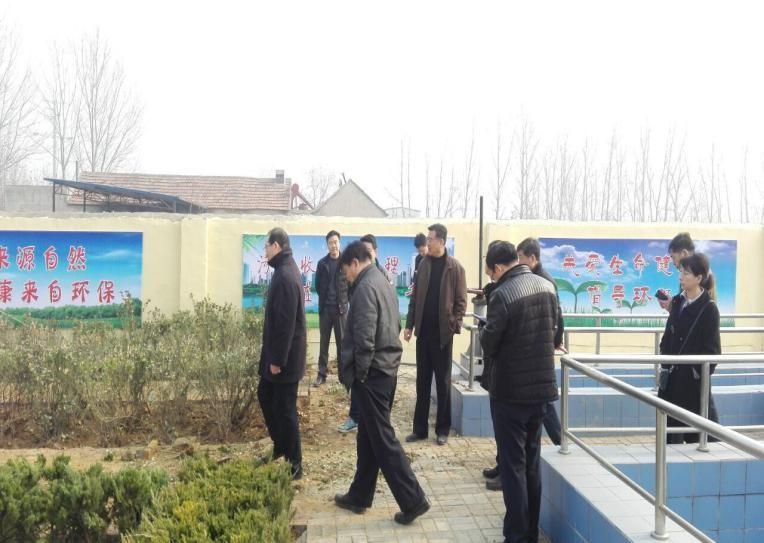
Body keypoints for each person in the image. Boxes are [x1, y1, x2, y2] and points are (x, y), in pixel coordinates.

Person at [333, 241, 430, 525]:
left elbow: (364, 337)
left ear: (354, 263)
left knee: (383, 439)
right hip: (386, 370)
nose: (347, 278)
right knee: (369, 436)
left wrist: (360, 374)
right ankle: (359, 495)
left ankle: (413, 500)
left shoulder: (365, 287)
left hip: (372, 374)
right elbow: (396, 324)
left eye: (346, 272)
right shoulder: (382, 281)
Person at [479, 240, 559, 543]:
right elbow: (556, 330)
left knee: (513, 466)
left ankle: (515, 536)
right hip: (541, 391)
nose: (491, 278)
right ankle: (530, 533)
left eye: (491, 273)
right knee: (531, 464)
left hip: (510, 393)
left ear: (499, 267)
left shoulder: (503, 294)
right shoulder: (547, 287)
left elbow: (489, 343)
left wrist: (484, 327)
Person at [404, 223, 467, 446]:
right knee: (422, 382)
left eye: (430, 239)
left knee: (442, 383)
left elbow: (461, 302)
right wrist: (410, 325)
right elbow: (414, 298)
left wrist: (453, 325)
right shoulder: (423, 264)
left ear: (441, 241)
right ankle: (420, 430)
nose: (427, 243)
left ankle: (442, 429)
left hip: (443, 336)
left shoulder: (455, 268)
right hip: (424, 333)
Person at [257, 227, 306, 479]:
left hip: (285, 360)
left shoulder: (286, 275)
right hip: (279, 355)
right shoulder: (283, 269)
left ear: (276, 246)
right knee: (265, 395)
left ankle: (295, 464)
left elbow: (286, 324)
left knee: (285, 410)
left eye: (266, 246)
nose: (265, 251)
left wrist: (277, 360)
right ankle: (281, 445)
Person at [658, 252, 721, 444]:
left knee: (696, 437)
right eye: (681, 272)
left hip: (692, 386)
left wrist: (695, 372)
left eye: (686, 273)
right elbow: (668, 336)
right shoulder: (677, 302)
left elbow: (713, 351)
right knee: (670, 437)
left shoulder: (709, 308)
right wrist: (664, 361)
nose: (681, 277)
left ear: (699, 278)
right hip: (672, 382)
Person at [313, 230, 348, 387]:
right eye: (330, 243)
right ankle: (321, 374)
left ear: (339, 243)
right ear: (327, 245)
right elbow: (318, 286)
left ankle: (343, 376)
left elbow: (350, 284)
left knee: (342, 344)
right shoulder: (322, 263)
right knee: (324, 343)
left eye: (335, 242)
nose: (333, 245)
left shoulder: (346, 262)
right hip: (326, 309)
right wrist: (326, 301)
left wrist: (345, 302)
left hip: (341, 311)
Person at [659, 232, 716, 311]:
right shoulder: (693, 274)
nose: (673, 262)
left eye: (673, 257)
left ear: (684, 253)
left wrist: (672, 307)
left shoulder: (699, 276)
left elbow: (692, 313)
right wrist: (671, 306)